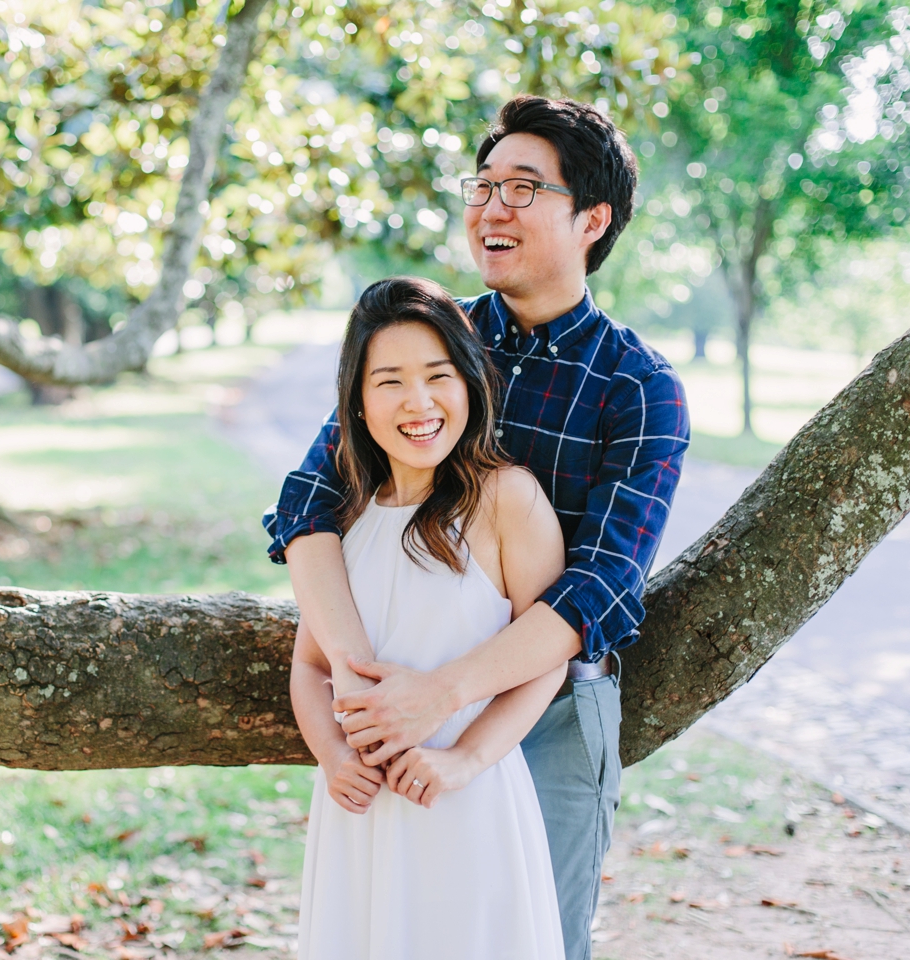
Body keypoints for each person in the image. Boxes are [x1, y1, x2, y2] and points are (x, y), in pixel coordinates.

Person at [265, 96, 690, 960]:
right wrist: (353, 675)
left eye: (524, 188)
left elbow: (602, 587)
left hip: (551, 708)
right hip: (386, 696)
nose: (492, 208)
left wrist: (447, 694)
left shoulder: (637, 386)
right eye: (484, 185)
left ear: (592, 219)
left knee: (528, 936)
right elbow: (311, 500)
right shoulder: (431, 340)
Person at [291, 276, 568, 960]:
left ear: (470, 384)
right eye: (389, 381)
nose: (417, 403)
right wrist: (331, 753)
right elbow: (310, 664)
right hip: (358, 808)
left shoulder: (508, 499)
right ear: (356, 402)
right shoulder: (346, 516)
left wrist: (464, 761)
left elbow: (548, 654)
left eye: (437, 376)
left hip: (460, 797)